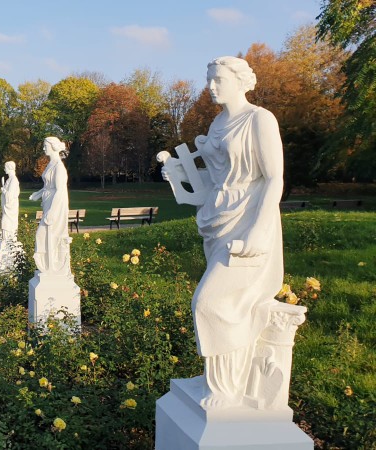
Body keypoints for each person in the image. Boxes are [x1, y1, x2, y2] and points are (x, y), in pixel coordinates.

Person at [162, 56, 284, 408]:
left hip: (248, 220)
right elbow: (215, 178)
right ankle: (218, 377)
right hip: (217, 218)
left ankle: (225, 388)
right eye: (209, 79)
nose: (212, 86)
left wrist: (260, 232)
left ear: (240, 81)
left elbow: (274, 177)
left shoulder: (259, 119)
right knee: (231, 305)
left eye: (218, 79)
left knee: (211, 301)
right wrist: (177, 175)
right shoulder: (217, 125)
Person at [29, 137, 71, 276]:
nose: (43, 148)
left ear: (53, 146)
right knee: (48, 235)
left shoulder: (59, 166)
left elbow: (59, 190)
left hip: (56, 205)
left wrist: (52, 212)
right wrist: (38, 193)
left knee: (46, 234)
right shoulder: (51, 164)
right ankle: (49, 265)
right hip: (49, 203)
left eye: (45, 145)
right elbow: (48, 186)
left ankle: (52, 266)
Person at [0, 161, 20, 240]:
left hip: (10, 207)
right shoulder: (10, 179)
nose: (4, 169)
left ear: (10, 168)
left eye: (5, 167)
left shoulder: (13, 180)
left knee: (7, 222)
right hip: (7, 207)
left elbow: (10, 196)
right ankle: (6, 240)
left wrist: (3, 190)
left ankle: (9, 240)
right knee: (5, 222)